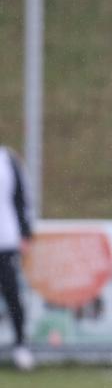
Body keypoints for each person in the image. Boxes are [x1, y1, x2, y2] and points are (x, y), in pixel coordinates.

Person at [0, 145, 34, 371]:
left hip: (6, 241)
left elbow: (22, 197)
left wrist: (25, 232)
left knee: (12, 295)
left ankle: (21, 347)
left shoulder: (8, 159)